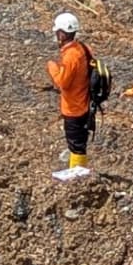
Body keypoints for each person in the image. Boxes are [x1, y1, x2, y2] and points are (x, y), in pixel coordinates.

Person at [46, 12, 92, 169]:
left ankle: (78, 174)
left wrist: (52, 68)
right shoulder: (82, 48)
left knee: (76, 144)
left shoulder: (71, 56)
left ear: (62, 34)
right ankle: (79, 171)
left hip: (74, 107)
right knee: (79, 142)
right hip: (84, 103)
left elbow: (62, 83)